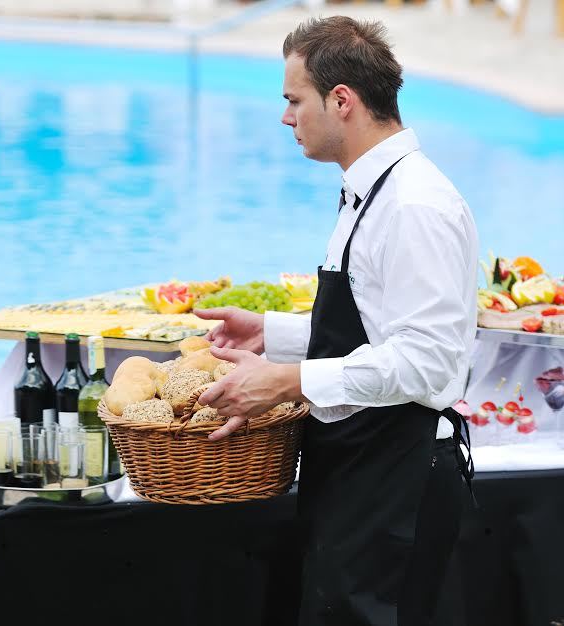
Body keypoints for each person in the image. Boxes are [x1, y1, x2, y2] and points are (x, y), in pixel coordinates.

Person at [193, 16, 478, 626]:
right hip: (362, 473)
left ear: (341, 101)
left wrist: (286, 380)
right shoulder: (370, 190)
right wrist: (276, 333)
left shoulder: (413, 205)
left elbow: (427, 360)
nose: (286, 116)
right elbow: (378, 327)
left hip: (400, 479)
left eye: (294, 100)